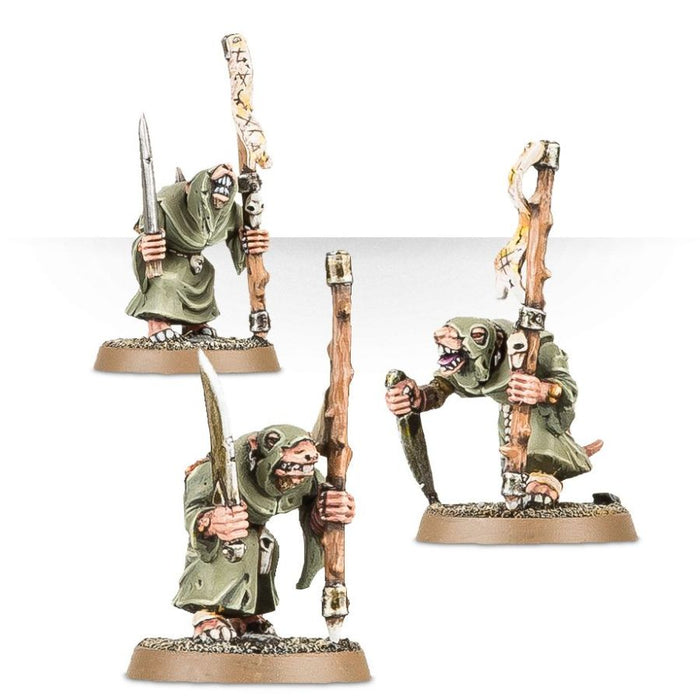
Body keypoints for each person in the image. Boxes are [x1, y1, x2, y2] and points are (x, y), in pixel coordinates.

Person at [385, 317, 601, 506]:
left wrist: (543, 390)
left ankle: (545, 479)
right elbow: (441, 387)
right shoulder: (470, 361)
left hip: (542, 419)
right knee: (514, 471)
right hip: (510, 421)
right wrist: (417, 398)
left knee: (539, 459)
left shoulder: (539, 347)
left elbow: (568, 388)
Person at [173, 424, 355, 640]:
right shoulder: (214, 470)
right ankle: (206, 613)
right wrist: (211, 521)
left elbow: (316, 506)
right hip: (224, 536)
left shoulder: (308, 478)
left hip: (257, 533)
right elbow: (193, 509)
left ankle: (248, 615)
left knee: (265, 547)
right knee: (231, 548)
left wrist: (331, 507)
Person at [126, 164, 269, 342]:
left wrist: (252, 241)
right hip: (167, 259)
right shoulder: (165, 202)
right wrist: (146, 246)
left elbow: (243, 236)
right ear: (190, 188)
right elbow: (144, 236)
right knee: (167, 279)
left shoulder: (231, 212)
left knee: (206, 274)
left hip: (195, 261)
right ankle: (157, 322)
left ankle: (194, 324)